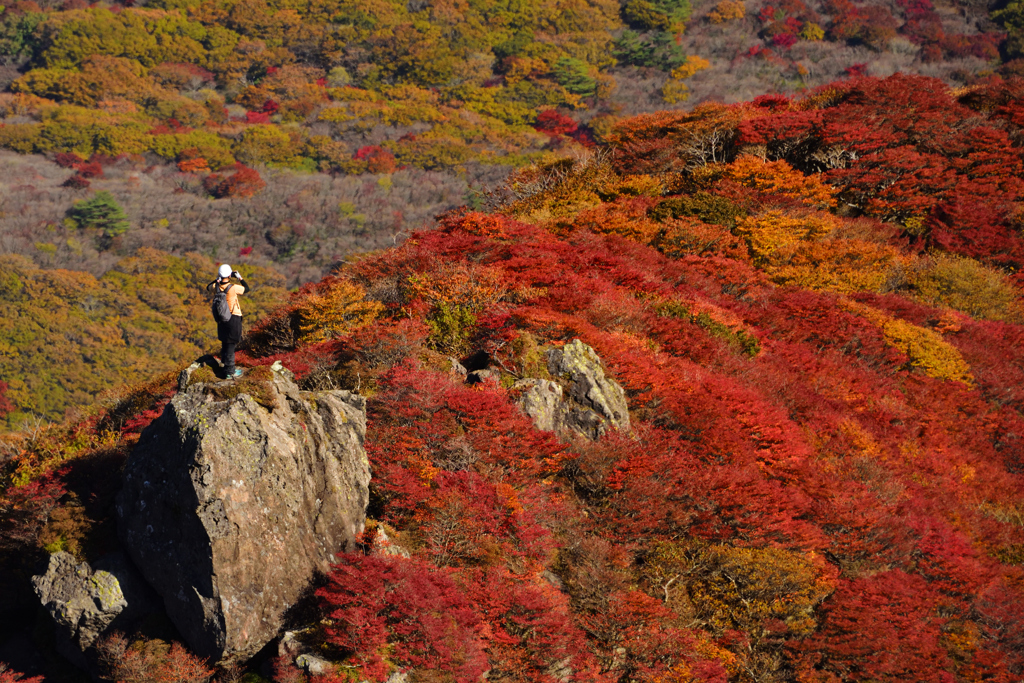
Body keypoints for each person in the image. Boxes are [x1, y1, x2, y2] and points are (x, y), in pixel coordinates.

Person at [206, 264, 250, 378]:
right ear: (230, 275)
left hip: (221, 318)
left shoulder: (215, 286)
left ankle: (225, 365)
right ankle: (230, 372)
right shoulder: (233, 287)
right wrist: (239, 277)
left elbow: (208, 286)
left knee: (225, 342)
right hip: (233, 317)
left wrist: (217, 279)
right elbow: (247, 289)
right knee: (231, 344)